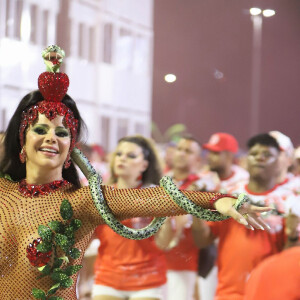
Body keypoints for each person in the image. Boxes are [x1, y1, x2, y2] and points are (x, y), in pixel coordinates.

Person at [0, 45, 270, 299]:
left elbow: (153, 200)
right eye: (40, 129)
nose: (51, 138)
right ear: (22, 139)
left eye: (62, 132)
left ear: (71, 146)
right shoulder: (2, 192)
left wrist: (217, 200)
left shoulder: (83, 201)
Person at [192, 133, 300, 300]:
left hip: (269, 293)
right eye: (254, 154)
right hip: (228, 293)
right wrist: (196, 211)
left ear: (279, 161)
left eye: (267, 155)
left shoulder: (290, 202)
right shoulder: (227, 196)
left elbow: (290, 260)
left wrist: (293, 235)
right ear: (245, 161)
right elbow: (202, 241)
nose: (259, 158)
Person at [92, 135, 171, 300]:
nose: (122, 159)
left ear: (144, 165)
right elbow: (86, 238)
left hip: (148, 280)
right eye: (119, 154)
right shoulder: (100, 195)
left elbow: (163, 244)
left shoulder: (157, 196)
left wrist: (168, 213)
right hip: (108, 278)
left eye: (131, 156)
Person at [162, 136, 218, 300]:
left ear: (198, 159)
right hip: (156, 259)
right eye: (179, 149)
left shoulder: (206, 187)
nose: (182, 154)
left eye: (188, 151)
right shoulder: (160, 182)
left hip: (187, 262)